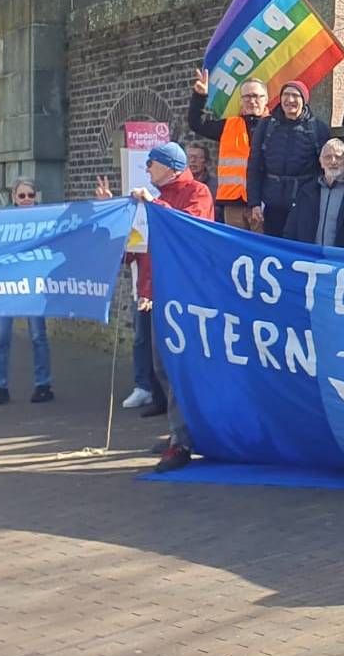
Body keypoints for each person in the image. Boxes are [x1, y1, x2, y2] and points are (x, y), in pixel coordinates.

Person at [97, 141, 213, 472]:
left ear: (169, 166)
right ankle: (180, 433)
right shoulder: (150, 203)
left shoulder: (198, 192)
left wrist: (154, 205)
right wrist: (113, 218)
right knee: (162, 367)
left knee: (181, 367)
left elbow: (190, 229)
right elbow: (134, 252)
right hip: (157, 294)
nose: (146, 169)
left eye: (151, 163)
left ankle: (185, 439)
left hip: (187, 295)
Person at [0, 167, 53, 405]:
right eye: (22, 195)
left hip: (33, 286)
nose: (26, 200)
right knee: (1, 339)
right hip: (7, 287)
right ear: (14, 198)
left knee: (38, 336)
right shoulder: (4, 219)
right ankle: (0, 387)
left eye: (30, 195)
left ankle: (43, 384)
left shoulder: (45, 218)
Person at [248, 81, 331, 237]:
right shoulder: (266, 126)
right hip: (271, 204)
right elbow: (254, 166)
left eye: (295, 95)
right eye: (286, 95)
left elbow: (324, 170)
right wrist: (254, 203)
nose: (290, 100)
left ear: (304, 100)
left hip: (304, 204)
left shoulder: (318, 129)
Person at [187, 70, 268, 228]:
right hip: (233, 204)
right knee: (235, 251)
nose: (252, 101)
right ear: (241, 101)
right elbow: (196, 123)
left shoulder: (274, 127)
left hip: (263, 202)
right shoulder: (229, 126)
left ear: (266, 99)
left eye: (257, 96)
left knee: (261, 251)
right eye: (247, 96)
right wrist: (199, 96)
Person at [285, 138, 344, 251]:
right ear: (321, 163)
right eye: (328, 157)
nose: (333, 161)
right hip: (309, 260)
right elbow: (291, 230)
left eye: (338, 157)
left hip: (342, 263)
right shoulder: (306, 192)